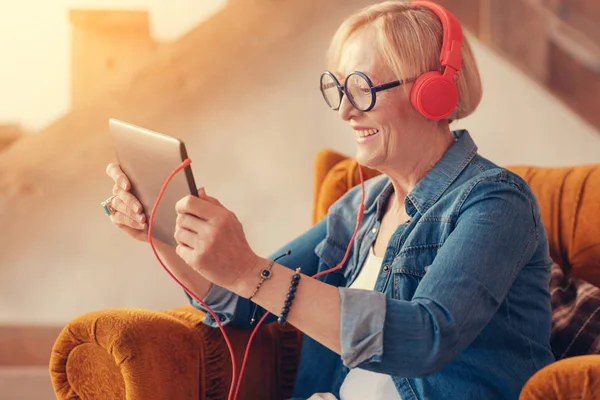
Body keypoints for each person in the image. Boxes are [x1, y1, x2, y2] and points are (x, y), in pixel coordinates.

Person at [102, 1, 556, 399]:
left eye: (362, 88)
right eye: (339, 88)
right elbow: (246, 300)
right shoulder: (362, 205)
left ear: (432, 94)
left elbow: (425, 338)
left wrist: (247, 268)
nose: (344, 111)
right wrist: (163, 234)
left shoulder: (495, 202)